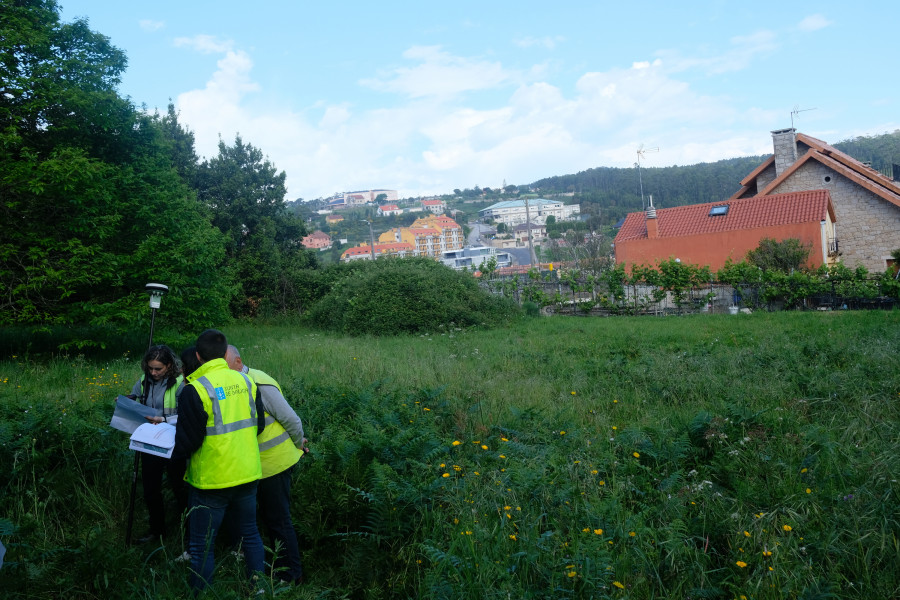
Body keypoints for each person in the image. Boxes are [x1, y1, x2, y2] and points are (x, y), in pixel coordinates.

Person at [173, 329, 266, 593]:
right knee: (250, 534)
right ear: (225, 352)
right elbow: (257, 426)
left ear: (199, 356)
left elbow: (188, 442)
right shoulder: (247, 382)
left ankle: (201, 594)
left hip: (212, 480)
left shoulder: (196, 389)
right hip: (247, 473)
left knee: (201, 545)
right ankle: (257, 590)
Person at [225, 345, 308, 585]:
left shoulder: (259, 382)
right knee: (263, 518)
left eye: (226, 364)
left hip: (276, 464)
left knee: (278, 520)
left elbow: (291, 419)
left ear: (238, 362)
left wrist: (298, 444)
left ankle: (292, 574)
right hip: (255, 466)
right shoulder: (234, 385)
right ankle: (275, 567)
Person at [129, 344, 185, 544]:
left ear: (169, 365)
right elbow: (135, 400)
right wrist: (128, 403)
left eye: (158, 369)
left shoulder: (181, 383)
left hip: (173, 442)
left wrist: (161, 418)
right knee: (151, 488)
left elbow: (186, 415)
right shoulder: (144, 381)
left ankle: (187, 532)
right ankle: (157, 531)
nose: (153, 372)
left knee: (179, 487)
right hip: (149, 441)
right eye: (150, 368)